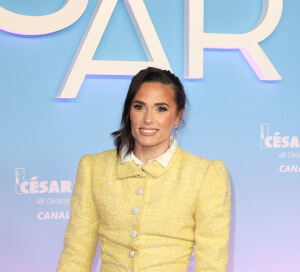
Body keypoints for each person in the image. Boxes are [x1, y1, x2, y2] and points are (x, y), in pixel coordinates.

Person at [57, 67, 231, 272]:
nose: (148, 119)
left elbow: (212, 263)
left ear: (178, 116)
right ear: (129, 111)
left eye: (161, 109)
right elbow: (76, 254)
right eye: (139, 106)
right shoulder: (94, 168)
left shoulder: (204, 175)